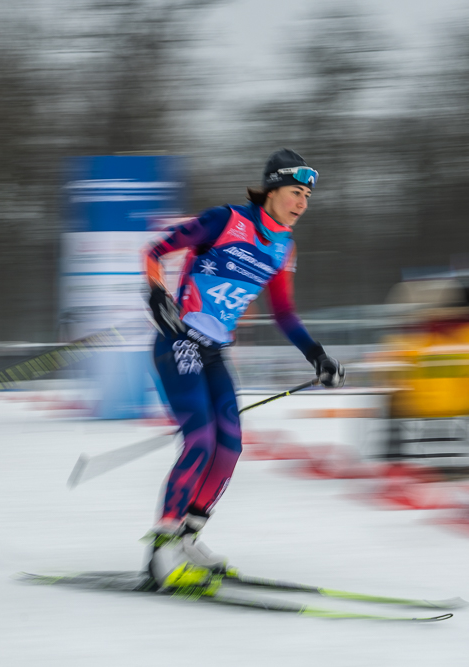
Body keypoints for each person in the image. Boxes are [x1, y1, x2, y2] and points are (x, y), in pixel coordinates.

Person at [141, 149, 344, 590]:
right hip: (180, 343)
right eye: (295, 192)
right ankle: (160, 549)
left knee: (229, 447)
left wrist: (317, 355)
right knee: (199, 440)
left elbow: (285, 314)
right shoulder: (225, 220)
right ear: (271, 190)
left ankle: (188, 539)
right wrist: (157, 294)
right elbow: (155, 251)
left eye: (307, 196)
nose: (302, 203)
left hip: (214, 352)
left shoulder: (284, 247)